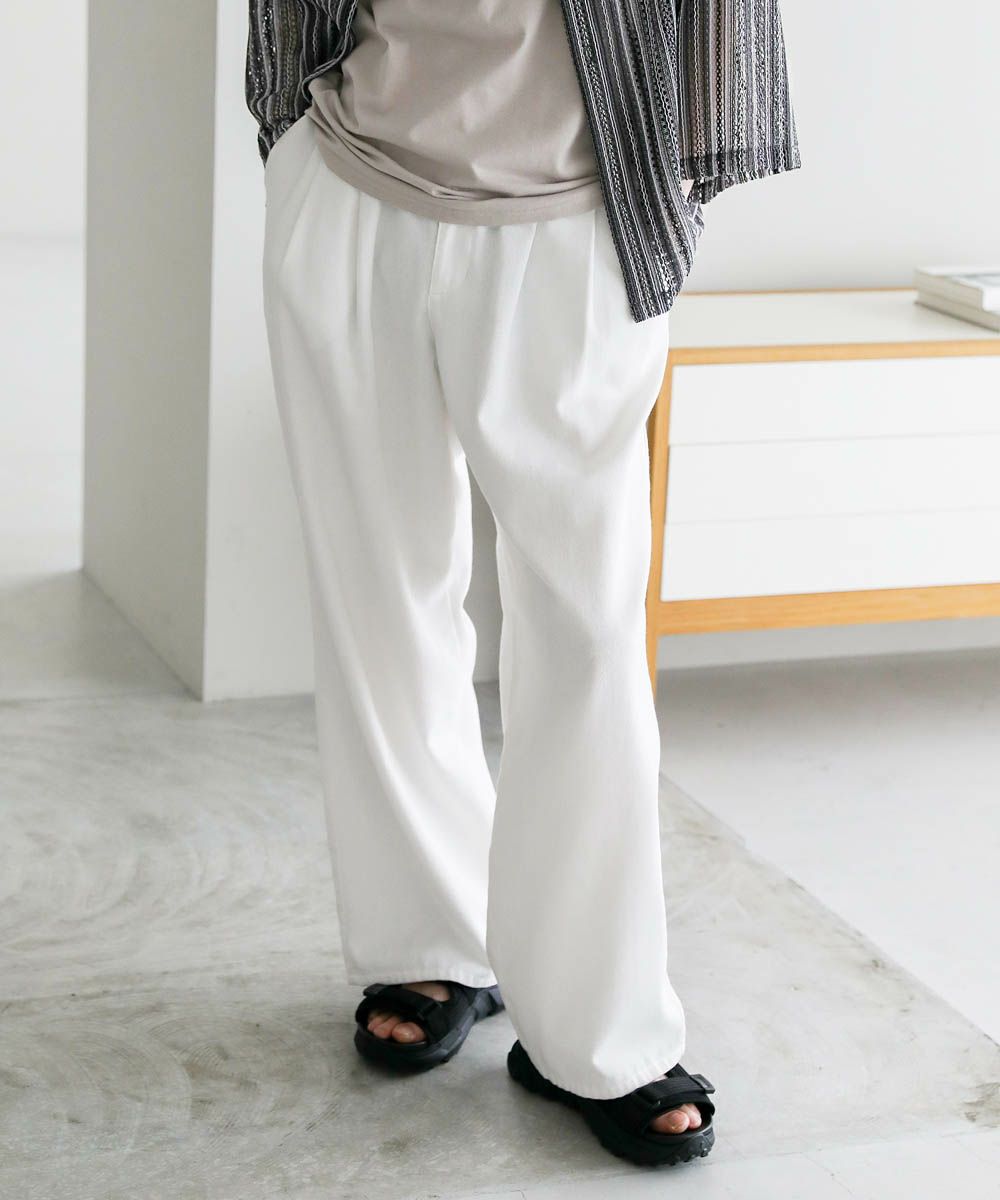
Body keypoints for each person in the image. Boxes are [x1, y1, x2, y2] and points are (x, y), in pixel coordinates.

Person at [246, 0, 800, 1168]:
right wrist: (289, 137)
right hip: (351, 188)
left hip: (572, 221)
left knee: (586, 636)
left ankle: (596, 1031)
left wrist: (675, 190)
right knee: (379, 604)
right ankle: (426, 942)